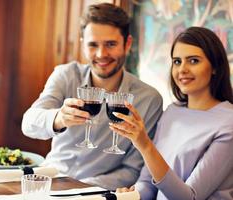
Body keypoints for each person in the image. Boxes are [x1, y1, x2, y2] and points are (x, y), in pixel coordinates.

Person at [21, 3, 163, 190]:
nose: (101, 54)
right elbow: (28, 124)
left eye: (110, 44)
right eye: (93, 44)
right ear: (82, 44)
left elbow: (132, 170)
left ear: (127, 44)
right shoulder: (66, 75)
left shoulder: (149, 99)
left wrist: (79, 189)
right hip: (49, 182)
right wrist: (58, 118)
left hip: (96, 192)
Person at [113, 26, 233, 199]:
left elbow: (188, 197)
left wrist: (145, 145)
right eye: (177, 61)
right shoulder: (172, 112)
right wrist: (133, 195)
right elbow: (147, 183)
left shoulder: (228, 122)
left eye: (193, 61)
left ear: (215, 66)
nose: (182, 69)